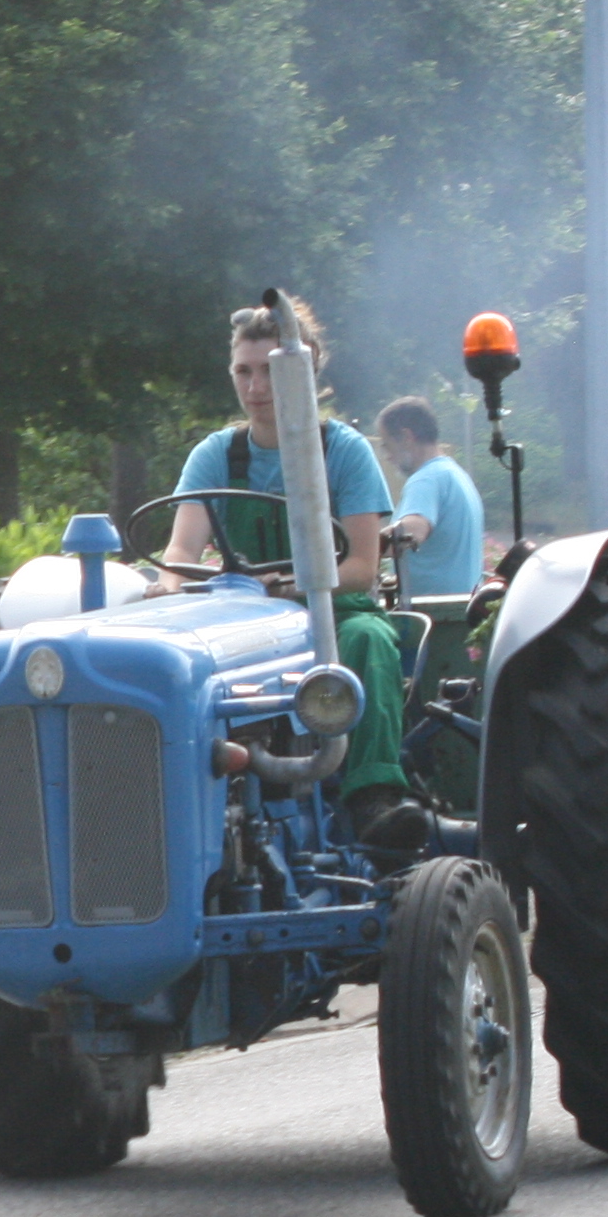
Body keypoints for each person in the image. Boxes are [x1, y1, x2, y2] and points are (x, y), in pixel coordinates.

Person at [156, 296, 425, 852]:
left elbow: (359, 567)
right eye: (243, 372)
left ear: (303, 372)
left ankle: (373, 798)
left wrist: (290, 587)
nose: (255, 387)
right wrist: (165, 589)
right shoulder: (216, 455)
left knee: (369, 638)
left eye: (270, 372)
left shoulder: (342, 451)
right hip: (239, 621)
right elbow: (181, 551)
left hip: (328, 612)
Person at [374, 396, 488, 598]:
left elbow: (410, 533)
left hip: (434, 617)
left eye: (386, 444)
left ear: (406, 437)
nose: (387, 455)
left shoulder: (426, 480)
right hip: (463, 608)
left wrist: (359, 548)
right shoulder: (454, 474)